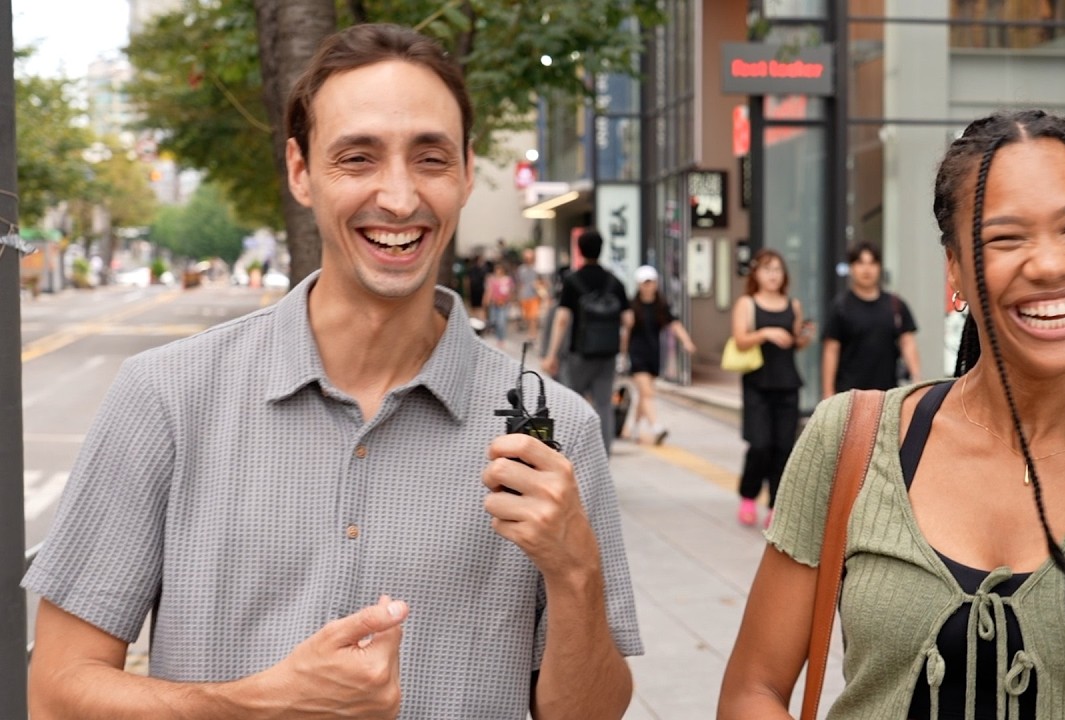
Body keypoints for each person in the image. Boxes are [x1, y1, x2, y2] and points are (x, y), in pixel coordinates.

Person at [23, 24, 641, 720]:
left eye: (430, 158)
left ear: (467, 172)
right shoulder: (165, 398)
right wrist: (255, 704)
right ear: (299, 171)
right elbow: (56, 691)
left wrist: (575, 571)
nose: (401, 199)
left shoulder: (558, 433)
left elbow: (591, 714)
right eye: (358, 158)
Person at [719, 109, 1065, 719]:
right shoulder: (849, 441)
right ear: (954, 271)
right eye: (1005, 238)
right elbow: (755, 689)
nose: (1051, 263)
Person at [730, 249, 816, 528]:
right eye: (767, 269)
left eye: (778, 269)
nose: (773, 275)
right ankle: (748, 494)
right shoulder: (747, 303)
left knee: (783, 447)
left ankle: (776, 505)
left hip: (787, 382)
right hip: (758, 383)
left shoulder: (793, 305)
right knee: (760, 445)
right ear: (756, 273)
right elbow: (740, 340)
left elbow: (794, 342)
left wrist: (804, 337)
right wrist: (765, 333)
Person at [542, 229, 633, 454]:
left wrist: (551, 354)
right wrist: (621, 350)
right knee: (604, 404)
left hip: (579, 354)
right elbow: (628, 320)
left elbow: (562, 319)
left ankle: (575, 454)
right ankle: (604, 455)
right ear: (602, 249)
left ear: (580, 250)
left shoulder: (573, 281)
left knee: (573, 402)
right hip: (607, 354)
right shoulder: (615, 282)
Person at [820, 241, 922, 398]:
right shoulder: (841, 307)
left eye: (872, 263)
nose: (866, 269)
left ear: (879, 267)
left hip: (888, 396)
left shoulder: (896, 305)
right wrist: (828, 393)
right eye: (860, 263)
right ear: (852, 268)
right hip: (849, 395)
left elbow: (907, 342)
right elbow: (831, 351)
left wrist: (917, 380)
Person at [620, 264, 696, 445]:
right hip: (636, 353)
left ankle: (635, 427)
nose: (649, 286)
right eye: (645, 282)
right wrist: (622, 355)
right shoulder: (632, 306)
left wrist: (686, 341)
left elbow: (674, 324)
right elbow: (626, 333)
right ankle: (656, 427)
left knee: (643, 394)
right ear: (639, 284)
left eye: (652, 282)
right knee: (647, 393)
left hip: (653, 354)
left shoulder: (661, 305)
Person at [483, 260, 514, 348]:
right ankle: (497, 337)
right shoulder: (491, 279)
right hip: (494, 303)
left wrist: (509, 301)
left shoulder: (507, 279)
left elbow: (510, 292)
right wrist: (486, 301)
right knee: (494, 321)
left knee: (501, 322)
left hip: (504, 304)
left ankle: (501, 339)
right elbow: (489, 291)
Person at [516, 248, 542, 334]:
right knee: (526, 318)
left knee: (533, 317)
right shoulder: (521, 269)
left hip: (534, 295)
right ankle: (530, 334)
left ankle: (533, 335)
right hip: (524, 296)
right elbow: (519, 283)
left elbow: (544, 282)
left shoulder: (537, 269)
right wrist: (518, 296)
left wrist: (539, 285)